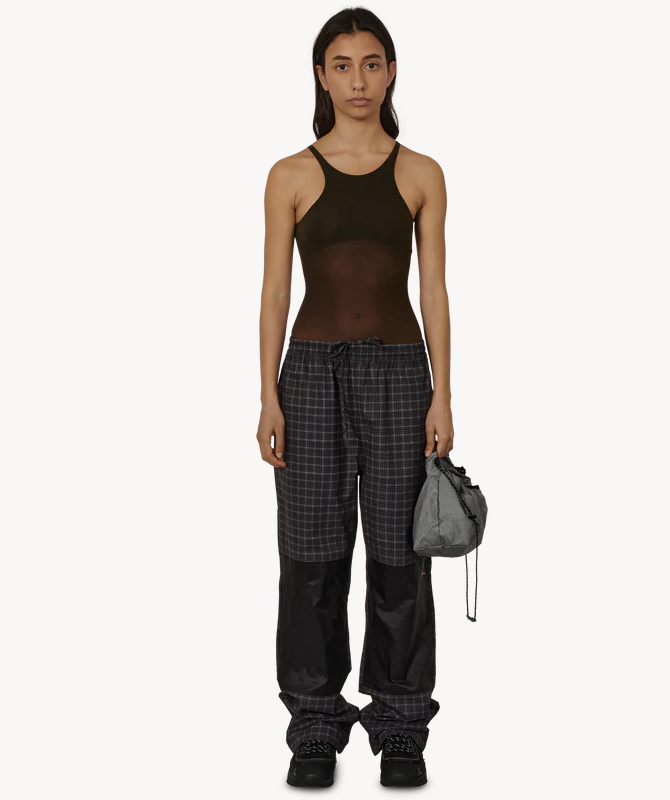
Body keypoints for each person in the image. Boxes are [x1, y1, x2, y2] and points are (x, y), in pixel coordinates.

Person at [257, 8, 454, 789]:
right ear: (321, 76)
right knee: (310, 556)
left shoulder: (421, 173)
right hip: (309, 376)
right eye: (342, 66)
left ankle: (400, 724)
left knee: (402, 557)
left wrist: (444, 394)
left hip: (402, 374)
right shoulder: (291, 174)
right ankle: (313, 724)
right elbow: (276, 292)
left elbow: (433, 291)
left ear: (392, 71)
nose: (358, 80)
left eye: (372, 64)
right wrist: (267, 395)